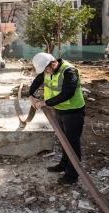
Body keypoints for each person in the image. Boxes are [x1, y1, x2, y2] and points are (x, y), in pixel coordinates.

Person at [28, 52, 85, 185]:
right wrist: (31, 94)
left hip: (73, 112)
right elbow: (37, 80)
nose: (45, 73)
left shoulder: (69, 71)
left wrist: (45, 103)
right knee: (63, 140)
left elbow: (68, 93)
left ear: (53, 64)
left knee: (72, 143)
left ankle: (72, 175)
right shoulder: (48, 70)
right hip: (60, 111)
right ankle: (64, 164)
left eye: (46, 69)